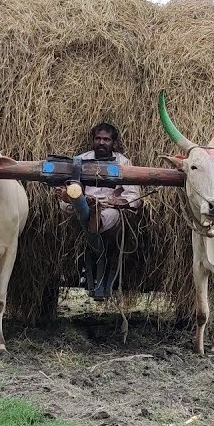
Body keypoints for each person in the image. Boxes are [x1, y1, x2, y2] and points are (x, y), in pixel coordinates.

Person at [56, 123, 143, 299]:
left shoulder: (123, 163)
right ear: (92, 140)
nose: (101, 142)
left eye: (106, 139)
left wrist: (116, 201)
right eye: (98, 138)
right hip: (80, 205)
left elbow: (133, 195)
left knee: (110, 215)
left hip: (108, 209)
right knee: (70, 203)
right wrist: (69, 194)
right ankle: (90, 214)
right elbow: (68, 184)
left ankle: (96, 218)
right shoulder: (80, 160)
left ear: (114, 143)